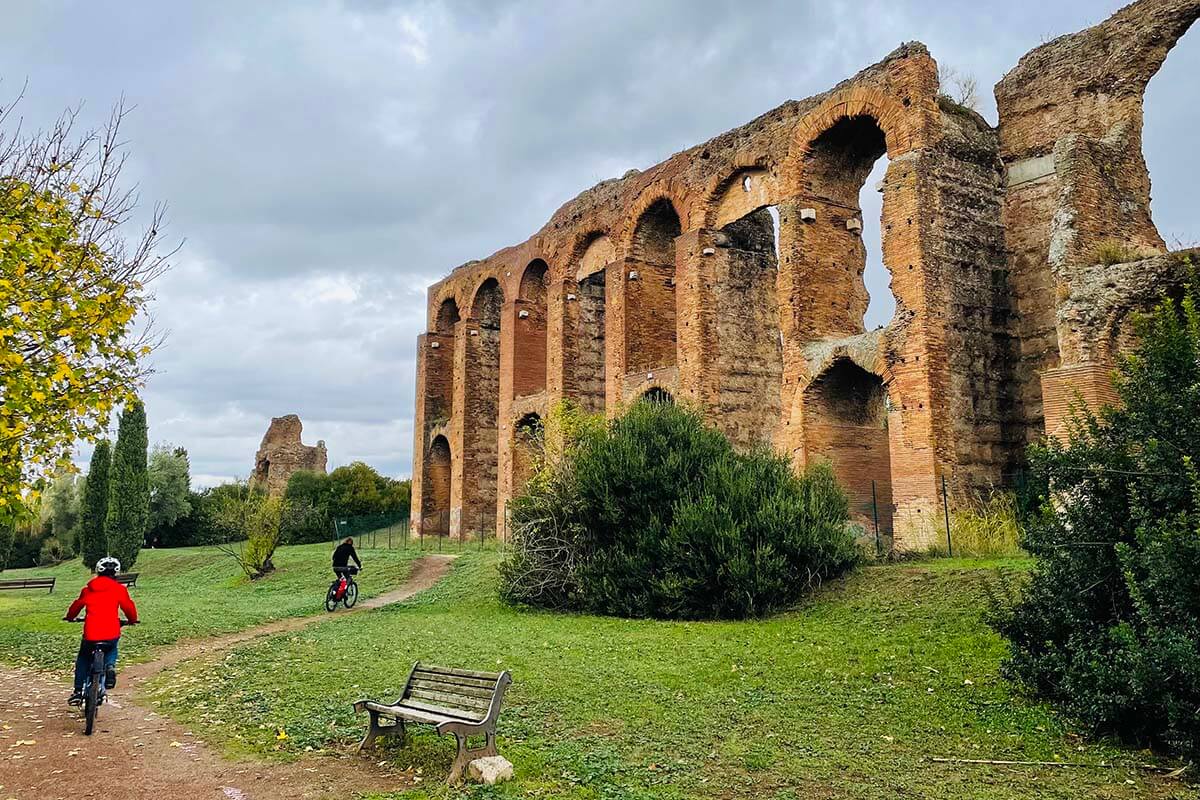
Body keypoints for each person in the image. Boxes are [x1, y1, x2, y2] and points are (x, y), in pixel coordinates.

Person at [63, 556, 138, 705]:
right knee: (112, 648)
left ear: (98, 571)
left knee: (83, 657)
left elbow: (76, 606)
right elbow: (129, 607)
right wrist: (131, 620)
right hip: (111, 630)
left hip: (91, 632)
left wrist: (70, 617)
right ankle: (110, 666)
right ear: (116, 572)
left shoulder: (88, 590)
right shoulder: (119, 589)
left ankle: (78, 691)